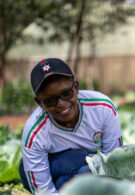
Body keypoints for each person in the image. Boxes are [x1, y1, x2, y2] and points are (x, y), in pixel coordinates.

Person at [19, 58, 123, 194]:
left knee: (81, 174)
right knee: (85, 167)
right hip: (52, 165)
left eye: (66, 93)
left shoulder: (102, 108)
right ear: (40, 103)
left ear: (76, 87)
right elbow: (42, 190)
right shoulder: (34, 132)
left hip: (82, 170)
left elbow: (114, 164)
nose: (61, 104)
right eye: (50, 100)